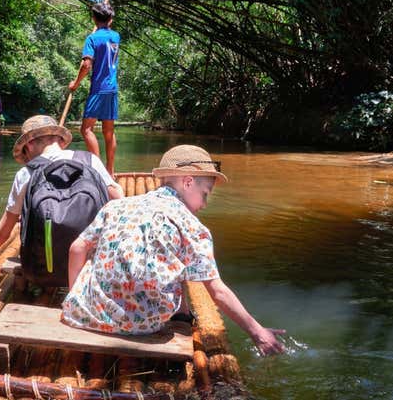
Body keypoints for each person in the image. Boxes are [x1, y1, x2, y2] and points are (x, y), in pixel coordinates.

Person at [62, 145, 286, 356]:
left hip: (84, 315)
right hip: (143, 325)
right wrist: (258, 331)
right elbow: (217, 291)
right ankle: (182, 312)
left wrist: (76, 297)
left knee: (94, 251)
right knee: (178, 261)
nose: (205, 204)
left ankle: (85, 300)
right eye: (205, 194)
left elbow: (76, 248)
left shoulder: (116, 206)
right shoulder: (193, 227)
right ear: (188, 182)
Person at [0, 115, 123, 273]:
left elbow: (2, 233)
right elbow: (119, 200)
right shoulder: (89, 160)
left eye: (25, 152)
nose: (27, 158)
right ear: (60, 140)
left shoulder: (26, 173)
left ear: (29, 144)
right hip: (91, 266)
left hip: (42, 271)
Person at [68, 1, 120, 176]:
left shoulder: (92, 39)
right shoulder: (116, 37)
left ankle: (99, 171)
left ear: (93, 18)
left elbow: (86, 65)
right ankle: (110, 171)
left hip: (98, 89)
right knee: (109, 131)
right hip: (112, 89)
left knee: (86, 129)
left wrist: (75, 83)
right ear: (110, 19)